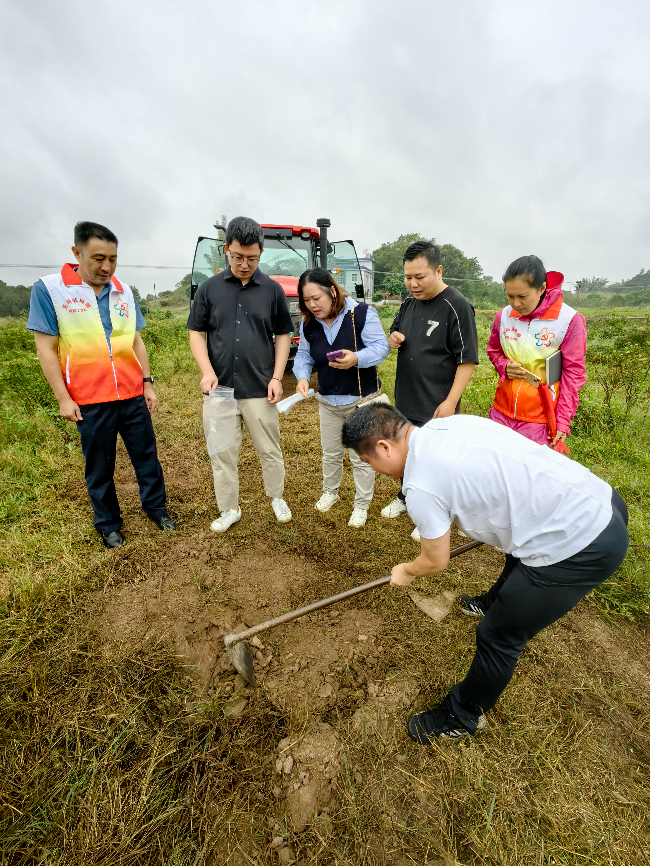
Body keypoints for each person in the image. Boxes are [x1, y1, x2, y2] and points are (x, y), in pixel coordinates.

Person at [341, 404, 628, 743]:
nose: (373, 469)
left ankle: (461, 715)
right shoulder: (447, 425)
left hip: (581, 544)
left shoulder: (421, 486)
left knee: (498, 636)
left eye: (368, 461)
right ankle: (493, 602)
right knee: (517, 556)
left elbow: (435, 560)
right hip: (600, 498)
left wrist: (406, 570)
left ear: (383, 448)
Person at [26, 221, 174, 548]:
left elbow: (135, 341)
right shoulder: (51, 290)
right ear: (77, 253)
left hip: (132, 393)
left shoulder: (122, 290)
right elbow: (46, 350)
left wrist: (147, 383)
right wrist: (63, 398)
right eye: (97, 258)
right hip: (90, 399)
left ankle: (156, 508)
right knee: (100, 466)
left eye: (113, 258)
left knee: (146, 456)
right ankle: (108, 524)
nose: (106, 266)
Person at [187, 216, 294, 532]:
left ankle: (276, 497)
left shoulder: (273, 291)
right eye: (237, 257)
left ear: (261, 253)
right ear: (226, 250)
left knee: (270, 450)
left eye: (252, 258)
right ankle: (229, 508)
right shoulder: (209, 290)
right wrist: (207, 371)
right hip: (220, 391)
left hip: (260, 388)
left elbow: (284, 335)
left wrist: (276, 377)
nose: (244, 264)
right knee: (222, 453)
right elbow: (196, 333)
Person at [381, 241, 479, 538]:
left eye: (419, 277)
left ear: (438, 270)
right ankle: (406, 496)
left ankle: (439, 512)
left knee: (437, 459)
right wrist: (393, 338)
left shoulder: (456, 305)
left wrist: (451, 401)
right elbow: (394, 331)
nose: (412, 284)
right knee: (408, 451)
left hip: (438, 401)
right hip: (407, 395)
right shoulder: (408, 303)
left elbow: (468, 360)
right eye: (408, 277)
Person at [293, 268, 390, 527]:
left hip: (360, 401)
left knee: (361, 457)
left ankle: (361, 505)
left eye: (317, 298)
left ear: (332, 291)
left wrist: (356, 359)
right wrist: (302, 376)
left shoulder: (361, 314)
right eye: (306, 300)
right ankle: (330, 492)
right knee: (331, 453)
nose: (312, 305)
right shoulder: (308, 323)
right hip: (327, 401)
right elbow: (303, 355)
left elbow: (381, 348)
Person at [487, 255, 587, 451]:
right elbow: (494, 351)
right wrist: (503, 365)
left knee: (529, 476)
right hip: (501, 412)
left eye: (522, 296)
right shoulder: (504, 316)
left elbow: (573, 373)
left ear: (541, 288)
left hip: (540, 420)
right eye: (510, 296)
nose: (515, 304)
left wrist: (563, 420)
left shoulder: (568, 320)